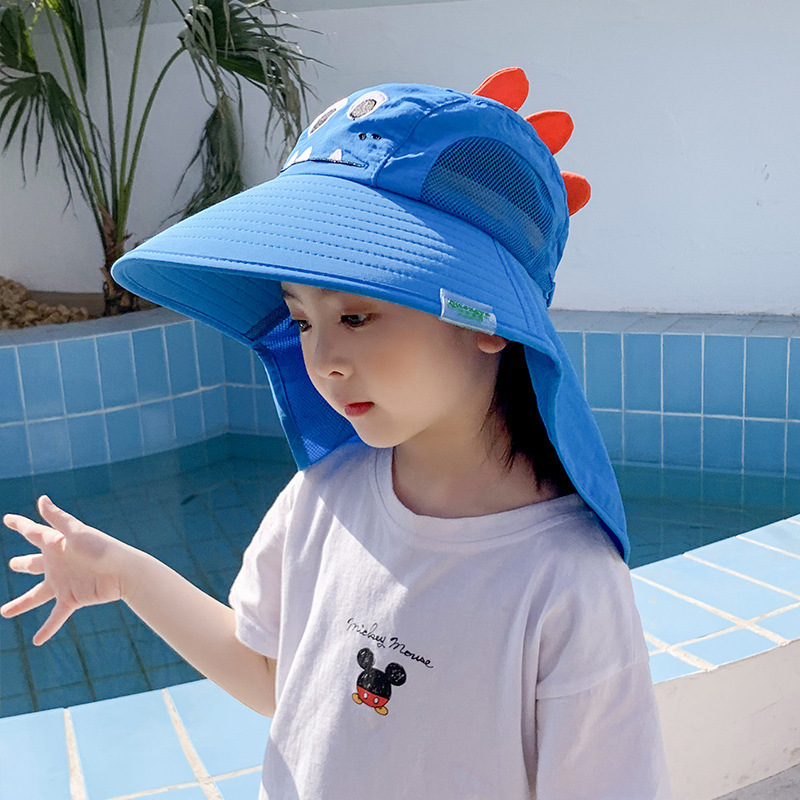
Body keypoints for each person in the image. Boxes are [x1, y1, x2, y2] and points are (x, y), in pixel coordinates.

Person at [1, 68, 672, 798]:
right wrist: (127, 574)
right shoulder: (320, 498)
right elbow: (273, 677)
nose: (323, 359)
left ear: (486, 319)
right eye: (301, 320)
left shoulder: (566, 580)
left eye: (355, 315)